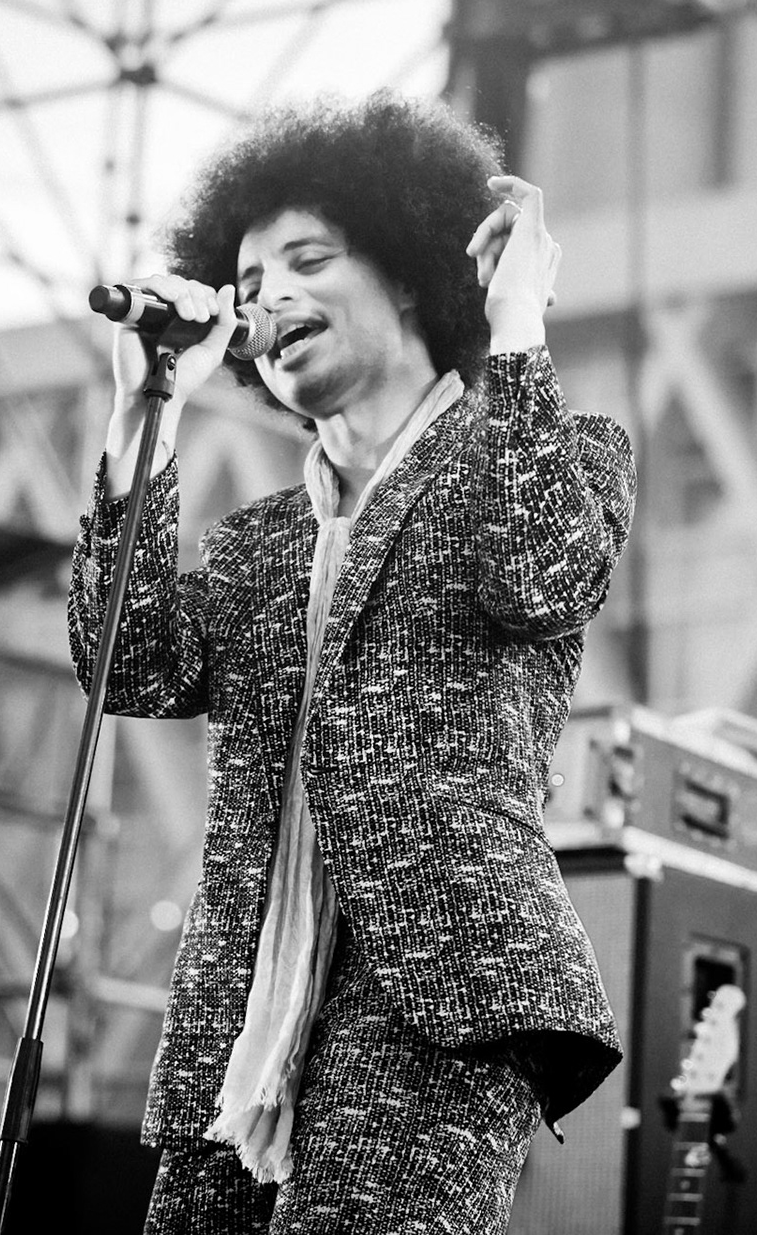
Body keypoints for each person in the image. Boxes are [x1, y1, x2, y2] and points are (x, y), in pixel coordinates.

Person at [67, 90, 636, 1234]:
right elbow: (127, 663)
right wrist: (146, 414)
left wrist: (515, 318)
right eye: (244, 286)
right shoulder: (262, 541)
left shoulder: (553, 454)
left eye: (307, 259)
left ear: (417, 276)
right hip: (242, 1020)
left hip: (433, 994)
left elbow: (537, 572)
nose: (265, 297)